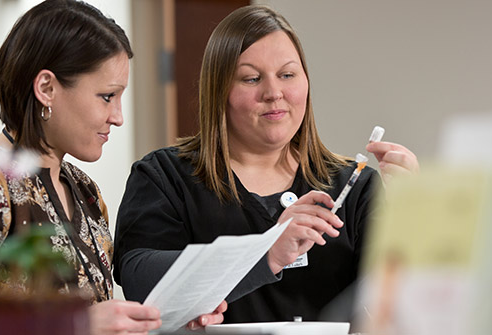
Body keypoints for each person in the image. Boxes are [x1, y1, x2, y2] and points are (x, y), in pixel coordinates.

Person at [0, 1, 224, 334]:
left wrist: (168, 317)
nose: (117, 117)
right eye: (106, 96)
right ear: (47, 88)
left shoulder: (83, 189)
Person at [113, 4, 420, 324]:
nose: (274, 93)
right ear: (219, 91)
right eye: (251, 78)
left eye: (287, 75)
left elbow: (403, 306)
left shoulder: (355, 186)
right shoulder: (164, 177)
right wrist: (265, 252)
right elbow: (140, 283)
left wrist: (415, 219)